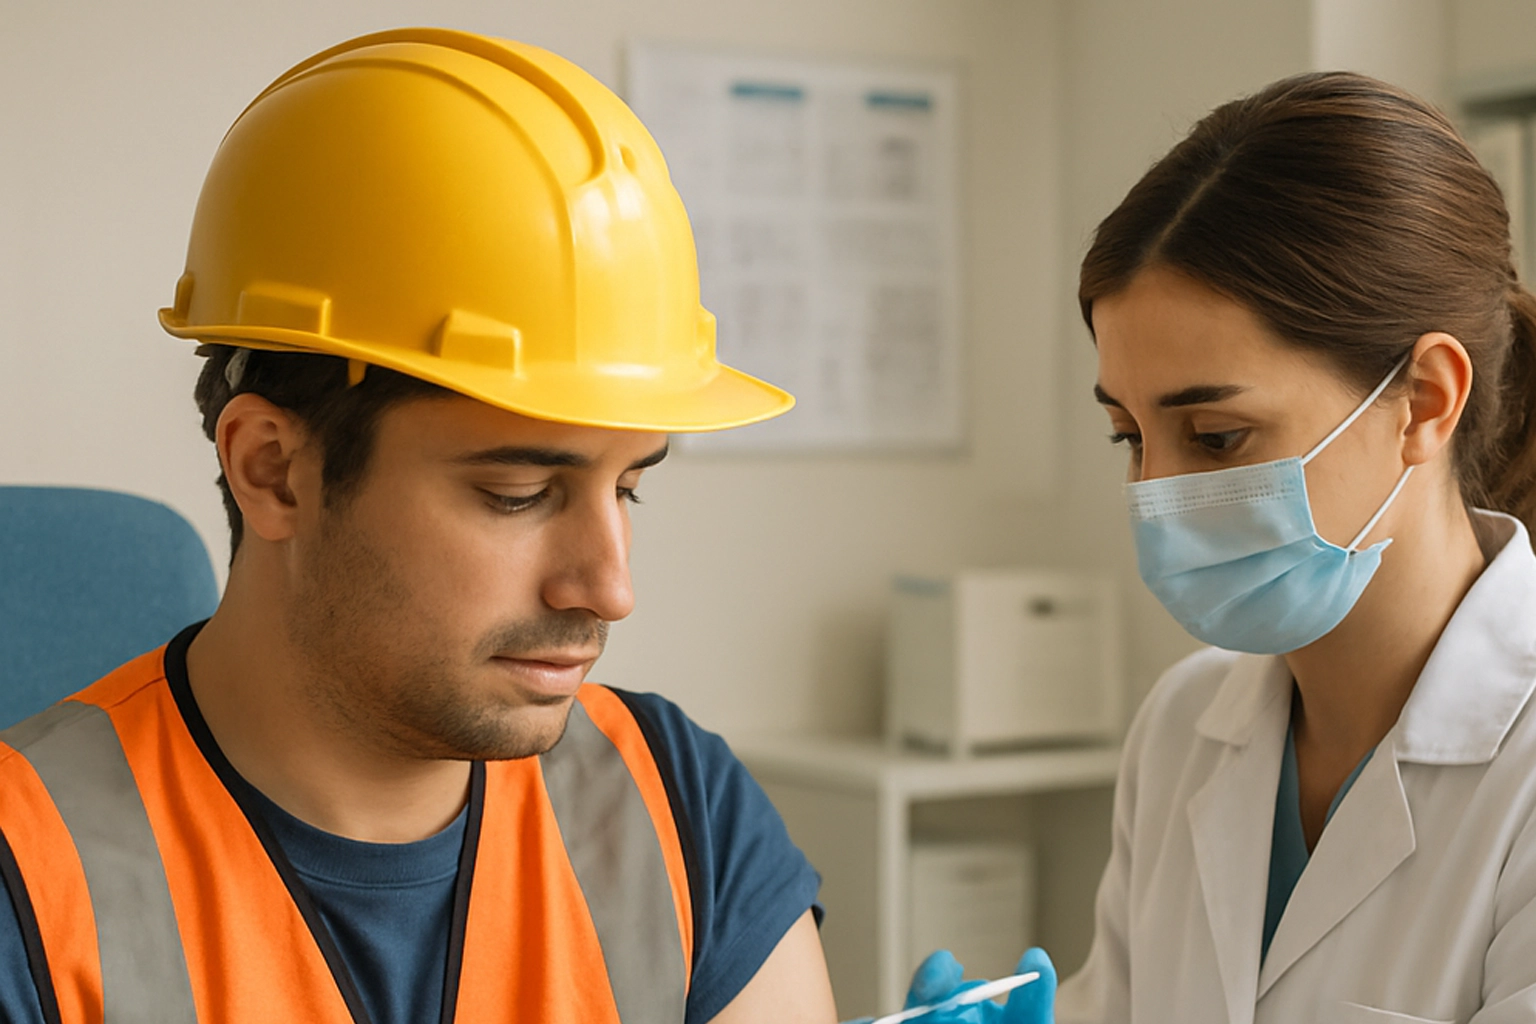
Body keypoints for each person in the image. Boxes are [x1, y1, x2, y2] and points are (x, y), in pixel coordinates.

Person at [0, 28, 839, 1024]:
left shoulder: (672, 803)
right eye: (520, 493)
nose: (609, 589)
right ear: (273, 469)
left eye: (629, 488)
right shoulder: (26, 877)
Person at [903, 70, 1536, 1023]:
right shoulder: (1185, 725)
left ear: (1426, 401)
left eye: (1218, 438)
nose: (1156, 495)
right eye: (1129, 437)